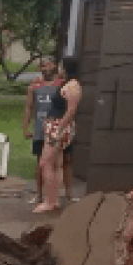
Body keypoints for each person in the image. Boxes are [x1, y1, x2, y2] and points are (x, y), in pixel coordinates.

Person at [34, 56, 81, 213]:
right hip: (55, 126)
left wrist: (58, 128)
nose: (59, 69)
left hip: (59, 127)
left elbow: (71, 110)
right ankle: (54, 200)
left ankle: (49, 202)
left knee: (45, 163)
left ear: (66, 68)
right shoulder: (68, 84)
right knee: (55, 164)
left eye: (61, 66)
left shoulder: (73, 86)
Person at [21, 58, 64, 204]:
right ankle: (39, 194)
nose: (47, 68)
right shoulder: (34, 86)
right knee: (40, 162)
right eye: (44, 65)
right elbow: (28, 107)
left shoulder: (61, 84)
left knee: (57, 163)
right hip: (40, 129)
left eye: (50, 64)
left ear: (55, 66)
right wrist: (26, 127)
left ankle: (53, 196)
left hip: (56, 129)